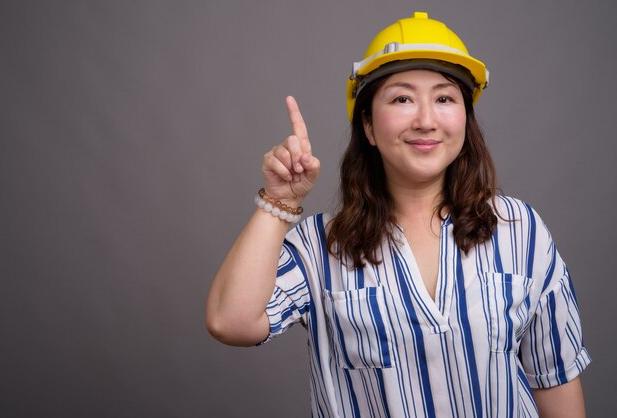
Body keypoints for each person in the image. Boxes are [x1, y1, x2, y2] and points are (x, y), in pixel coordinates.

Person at [206, 11, 591, 417]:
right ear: (368, 127)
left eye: (444, 98)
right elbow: (231, 322)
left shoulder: (521, 231)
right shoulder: (319, 247)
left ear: (465, 119)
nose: (426, 120)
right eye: (402, 98)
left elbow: (556, 382)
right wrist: (279, 200)